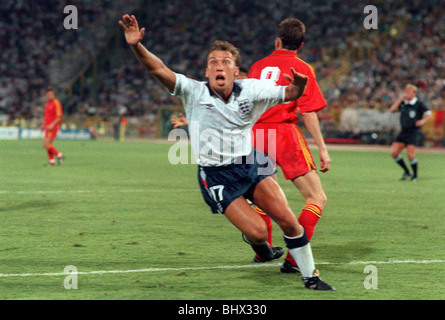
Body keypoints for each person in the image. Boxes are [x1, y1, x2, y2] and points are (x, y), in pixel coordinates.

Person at [120, 14, 334, 290]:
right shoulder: (192, 91)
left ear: (236, 71)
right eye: (213, 62)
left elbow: (292, 93)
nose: (219, 66)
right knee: (258, 232)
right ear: (207, 72)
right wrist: (137, 45)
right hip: (217, 175)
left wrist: (301, 85)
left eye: (225, 62)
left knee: (290, 223)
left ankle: (311, 278)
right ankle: (258, 244)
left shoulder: (253, 89)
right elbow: (158, 68)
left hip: (250, 164)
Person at [248, 18, 330, 272]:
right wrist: (323, 148)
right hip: (284, 133)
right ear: (301, 45)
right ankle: (294, 261)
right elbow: (308, 112)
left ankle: (264, 250)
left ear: (277, 41)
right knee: (316, 197)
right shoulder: (302, 68)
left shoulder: (257, 66)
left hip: (255, 134)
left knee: (262, 197)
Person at [389, 84, 431, 181]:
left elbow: (428, 113)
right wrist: (400, 99)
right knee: (394, 152)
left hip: (413, 132)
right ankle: (407, 171)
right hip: (404, 131)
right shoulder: (404, 103)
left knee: (411, 155)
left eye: (409, 91)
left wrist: (422, 121)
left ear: (414, 93)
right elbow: (392, 110)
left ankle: (415, 175)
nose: (406, 93)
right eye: (406, 91)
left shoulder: (418, 104)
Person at [40, 87, 65, 166]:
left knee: (45, 144)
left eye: (51, 94)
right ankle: (52, 161)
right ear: (46, 95)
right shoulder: (47, 104)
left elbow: (59, 117)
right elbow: (46, 116)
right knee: (49, 145)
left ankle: (60, 155)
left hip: (53, 127)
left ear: (53, 94)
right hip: (48, 127)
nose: (49, 96)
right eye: (48, 94)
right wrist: (43, 124)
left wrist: (52, 125)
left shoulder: (56, 103)